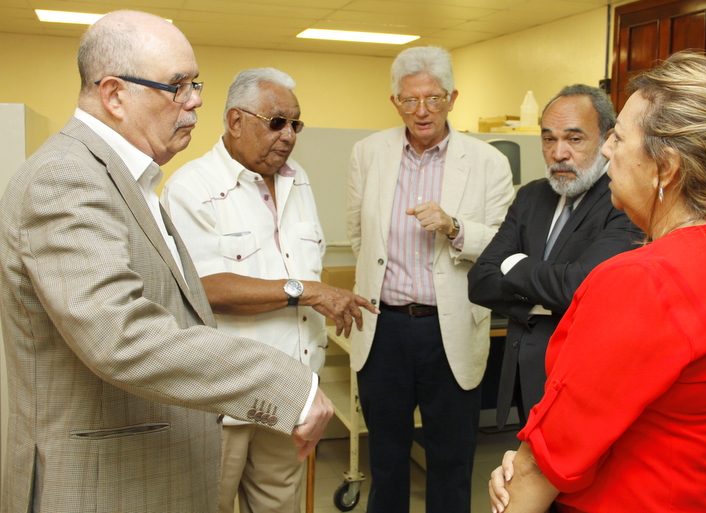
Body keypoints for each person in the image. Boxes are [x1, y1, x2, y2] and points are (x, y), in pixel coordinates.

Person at [0, 11, 333, 513]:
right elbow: (121, 334)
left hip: (152, 466)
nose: (196, 100)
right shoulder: (67, 178)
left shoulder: (132, 180)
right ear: (114, 95)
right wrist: (285, 384)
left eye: (194, 84)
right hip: (101, 483)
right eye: (177, 86)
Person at [488, 51, 706, 513]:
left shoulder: (643, 279)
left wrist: (517, 474)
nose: (605, 150)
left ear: (666, 168)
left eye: (618, 138)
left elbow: (539, 469)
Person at [161, 67, 377, 513]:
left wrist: (321, 300)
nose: (289, 135)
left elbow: (299, 264)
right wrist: (310, 291)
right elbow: (205, 286)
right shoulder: (191, 188)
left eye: (295, 124)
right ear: (235, 121)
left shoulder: (297, 181)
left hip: (289, 395)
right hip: (223, 399)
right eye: (276, 122)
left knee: (280, 507)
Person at [346, 46, 514, 513]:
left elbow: (503, 246)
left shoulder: (488, 163)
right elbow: (360, 238)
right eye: (410, 100)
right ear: (395, 101)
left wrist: (454, 227)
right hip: (385, 329)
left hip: (451, 330)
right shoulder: (368, 153)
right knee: (387, 461)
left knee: (450, 463)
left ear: (452, 98)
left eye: (434, 99)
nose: (422, 112)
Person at [468, 85, 641, 429]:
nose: (559, 153)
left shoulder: (622, 202)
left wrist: (515, 266)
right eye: (549, 139)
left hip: (584, 379)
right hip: (524, 368)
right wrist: (545, 300)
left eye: (574, 139)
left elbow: (578, 286)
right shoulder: (533, 196)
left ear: (608, 139)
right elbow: (481, 281)